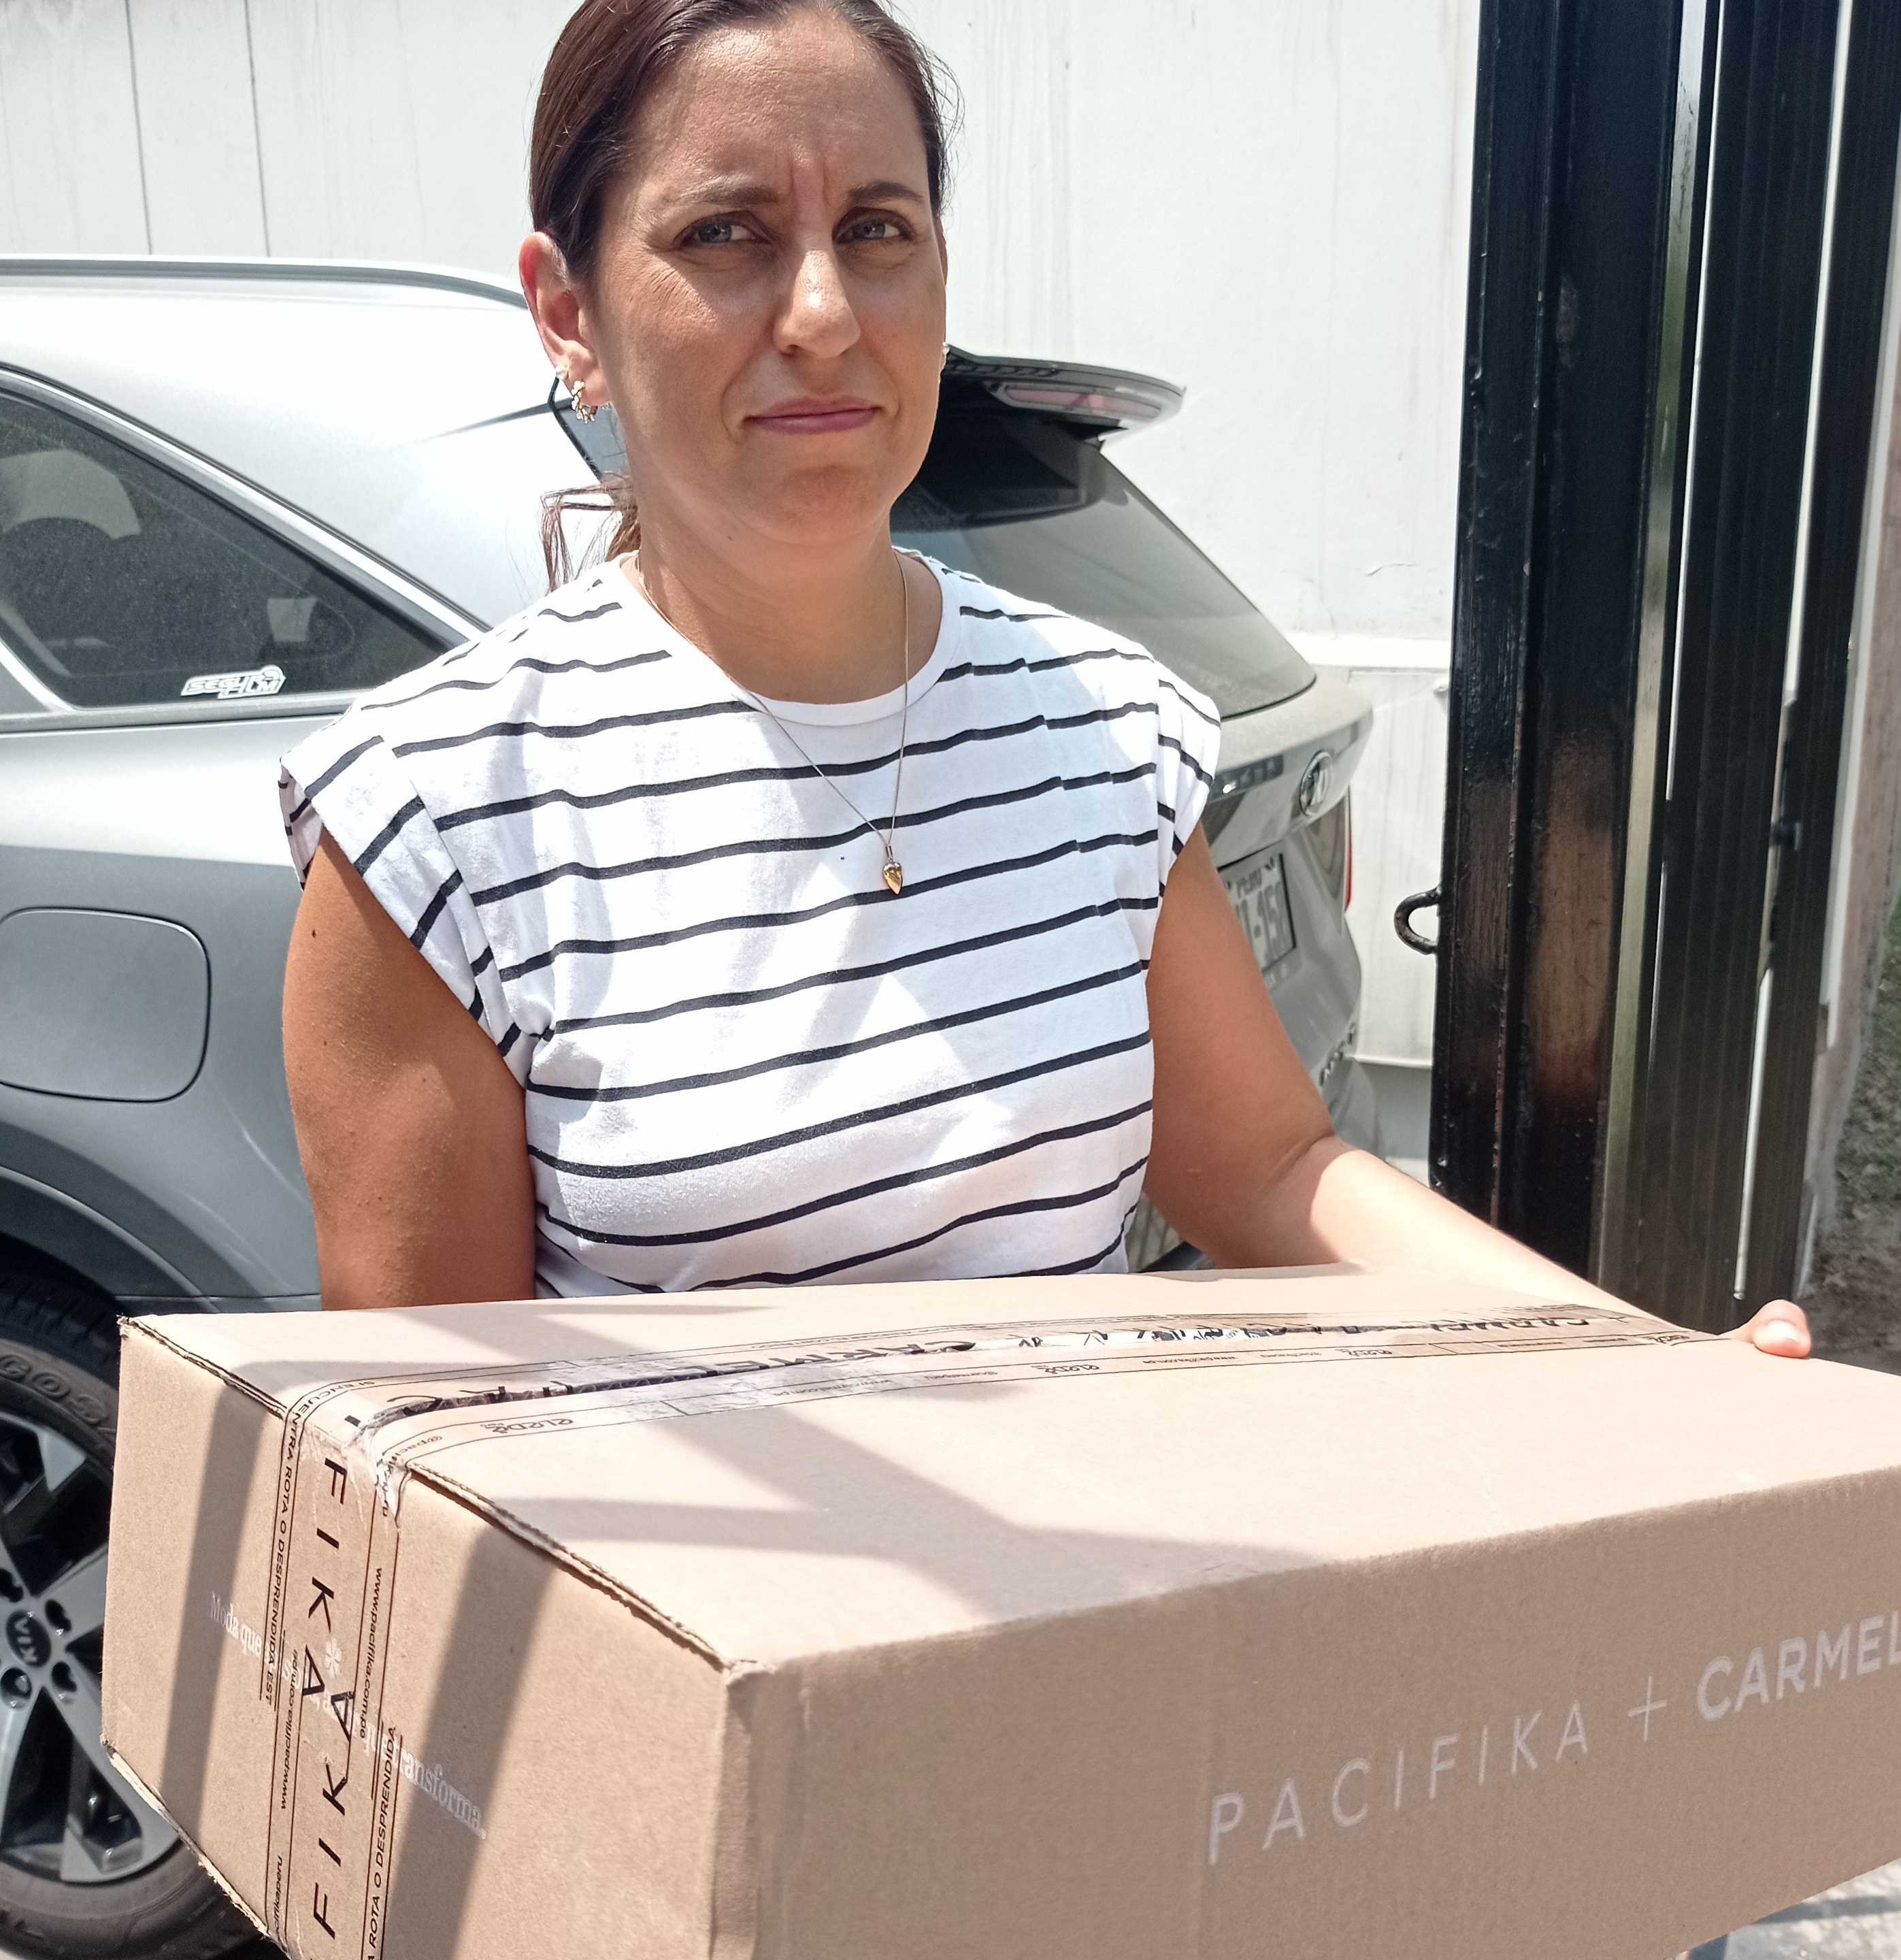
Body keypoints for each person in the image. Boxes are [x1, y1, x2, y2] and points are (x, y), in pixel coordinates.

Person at [276, 0, 1809, 1361]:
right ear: (569, 314)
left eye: (877, 229)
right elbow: (437, 1443)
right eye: (726, 234)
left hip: (1078, 1588)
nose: (824, 315)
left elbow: (1275, 1173)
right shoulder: (440, 817)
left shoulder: (1096, 726)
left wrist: (1638, 1366)